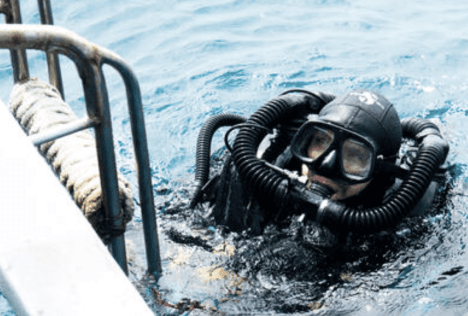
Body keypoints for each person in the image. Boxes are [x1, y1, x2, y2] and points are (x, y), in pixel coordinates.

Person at [188, 88, 450, 241]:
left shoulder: (398, 210)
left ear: (379, 169)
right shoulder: (272, 164)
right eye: (320, 142)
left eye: (355, 157)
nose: (325, 165)